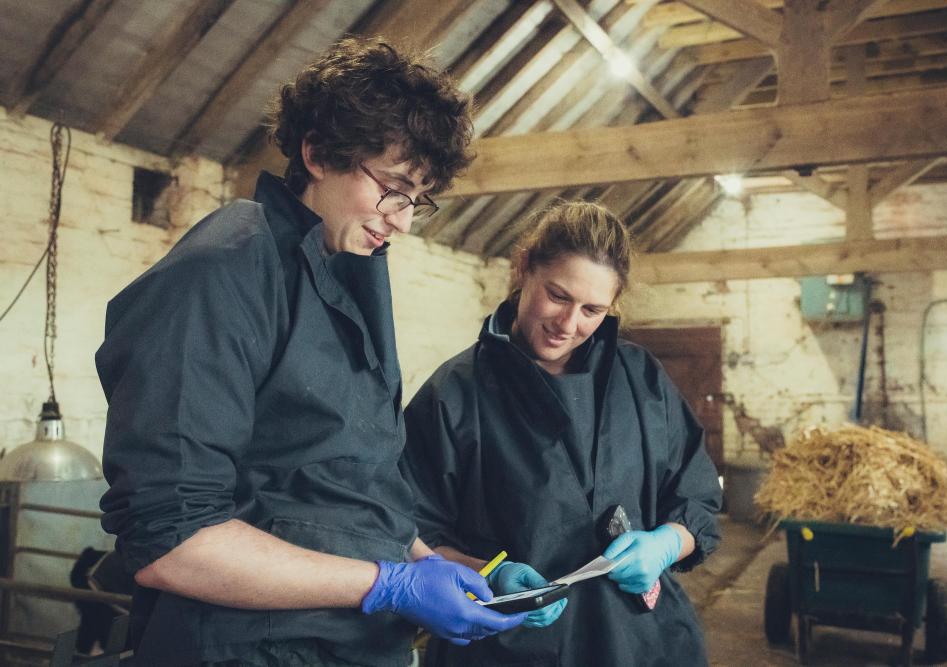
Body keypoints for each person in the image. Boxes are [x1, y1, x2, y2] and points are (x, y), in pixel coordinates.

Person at [96, 38, 525, 666]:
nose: (403, 221)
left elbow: (340, 482)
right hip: (248, 649)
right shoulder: (225, 270)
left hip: (343, 643)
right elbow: (173, 542)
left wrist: (435, 566)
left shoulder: (345, 275)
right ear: (319, 154)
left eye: (417, 200)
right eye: (394, 189)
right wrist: (389, 585)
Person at [401, 201, 722, 666]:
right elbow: (411, 529)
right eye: (557, 295)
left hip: (643, 643)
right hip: (508, 649)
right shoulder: (454, 395)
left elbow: (698, 499)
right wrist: (491, 574)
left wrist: (667, 543)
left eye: (592, 309)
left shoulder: (641, 379)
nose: (568, 325)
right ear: (523, 267)